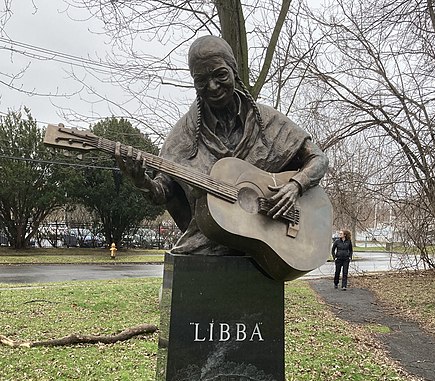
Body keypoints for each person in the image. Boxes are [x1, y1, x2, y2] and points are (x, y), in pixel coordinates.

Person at [115, 35, 328, 255]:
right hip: (209, 238)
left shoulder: (267, 122)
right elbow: (162, 192)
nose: (213, 86)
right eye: (201, 81)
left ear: (234, 70)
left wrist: (296, 185)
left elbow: (318, 158)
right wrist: (141, 181)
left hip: (264, 238)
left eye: (220, 75)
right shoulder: (183, 135)